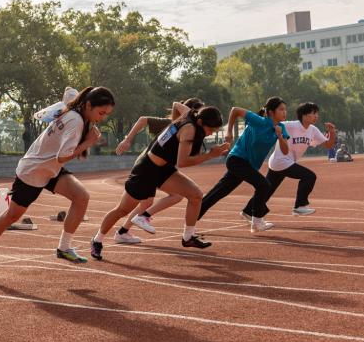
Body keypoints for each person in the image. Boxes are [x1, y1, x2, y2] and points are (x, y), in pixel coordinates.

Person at [0, 87, 115, 273]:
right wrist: (89, 142)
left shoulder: (74, 110)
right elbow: (63, 157)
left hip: (50, 170)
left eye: (106, 114)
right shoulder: (76, 121)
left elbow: (70, 92)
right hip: (33, 172)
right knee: (12, 216)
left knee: (81, 197)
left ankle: (64, 247)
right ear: (88, 105)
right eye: (101, 112)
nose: (102, 118)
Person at [91, 106, 229, 259]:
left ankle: (188, 237)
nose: (210, 133)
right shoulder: (189, 129)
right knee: (122, 210)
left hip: (164, 169)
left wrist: (178, 120)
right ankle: (97, 240)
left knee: (195, 195)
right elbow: (182, 162)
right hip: (146, 170)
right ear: (201, 121)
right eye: (210, 129)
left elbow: (177, 104)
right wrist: (210, 155)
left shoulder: (188, 114)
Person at [112, 98, 205, 239]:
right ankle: (117, 232)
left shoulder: (192, 130)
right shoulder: (175, 124)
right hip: (148, 165)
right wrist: (128, 139)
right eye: (199, 113)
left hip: (162, 169)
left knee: (167, 198)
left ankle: (123, 231)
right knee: (150, 201)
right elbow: (143, 119)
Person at [197, 97, 290, 232]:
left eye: (285, 109)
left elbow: (285, 151)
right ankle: (256, 221)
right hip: (237, 160)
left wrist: (280, 136)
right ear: (271, 112)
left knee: (218, 192)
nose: (284, 112)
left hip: (248, 165)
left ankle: (192, 220)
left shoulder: (281, 128)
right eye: (281, 109)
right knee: (264, 185)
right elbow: (235, 110)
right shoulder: (259, 121)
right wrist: (229, 132)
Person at [241, 102, 335, 217]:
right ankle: (300, 206)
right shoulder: (290, 125)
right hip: (281, 161)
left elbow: (328, 145)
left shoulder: (313, 130)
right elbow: (274, 124)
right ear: (304, 115)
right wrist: (260, 121)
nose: (316, 116)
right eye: (313, 113)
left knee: (267, 190)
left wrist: (332, 132)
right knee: (309, 176)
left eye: (317, 113)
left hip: (280, 163)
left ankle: (247, 211)